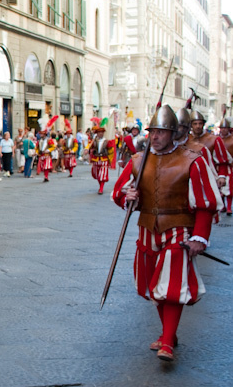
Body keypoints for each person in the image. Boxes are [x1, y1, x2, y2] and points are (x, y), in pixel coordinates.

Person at [112, 105, 222, 363]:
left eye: (161, 132)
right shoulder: (138, 161)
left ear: (173, 133)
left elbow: (205, 203)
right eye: (153, 132)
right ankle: (168, 335)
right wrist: (127, 197)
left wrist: (199, 237)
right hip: (147, 230)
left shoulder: (192, 160)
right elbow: (120, 192)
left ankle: (168, 342)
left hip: (179, 230)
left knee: (172, 285)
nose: (155, 137)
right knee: (154, 285)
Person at [89, 125, 115, 194]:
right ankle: (100, 185)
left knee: (102, 175)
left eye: (102, 132)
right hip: (96, 159)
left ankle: (101, 188)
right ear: (96, 133)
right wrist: (88, 150)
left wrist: (110, 160)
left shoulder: (106, 141)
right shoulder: (93, 141)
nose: (101, 133)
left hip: (104, 159)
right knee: (97, 174)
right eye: (99, 132)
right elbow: (89, 147)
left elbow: (111, 151)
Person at [218, 117, 233, 215]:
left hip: (230, 166)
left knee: (229, 187)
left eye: (225, 128)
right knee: (220, 186)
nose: (223, 130)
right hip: (218, 166)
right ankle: (222, 206)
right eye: (222, 128)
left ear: (228, 129)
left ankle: (228, 207)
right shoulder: (216, 139)